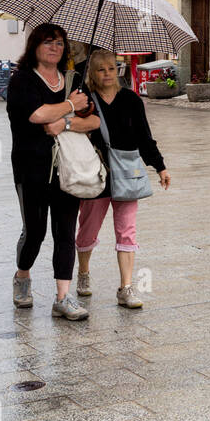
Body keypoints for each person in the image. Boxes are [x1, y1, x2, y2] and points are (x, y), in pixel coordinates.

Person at [6, 23, 100, 320]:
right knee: (35, 231)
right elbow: (37, 115)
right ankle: (22, 276)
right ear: (34, 46)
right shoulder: (22, 80)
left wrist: (68, 122)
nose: (54, 48)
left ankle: (62, 297)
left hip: (68, 169)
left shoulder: (73, 79)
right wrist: (70, 104)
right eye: (48, 42)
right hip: (31, 168)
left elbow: (93, 122)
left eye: (59, 43)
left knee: (65, 232)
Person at [75, 49, 170, 309]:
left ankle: (126, 287)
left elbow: (144, 136)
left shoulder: (130, 99)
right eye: (100, 69)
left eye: (110, 68)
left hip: (128, 173)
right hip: (96, 174)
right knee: (88, 228)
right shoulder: (85, 99)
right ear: (92, 73)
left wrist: (160, 166)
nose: (107, 73)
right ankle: (83, 272)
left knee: (127, 232)